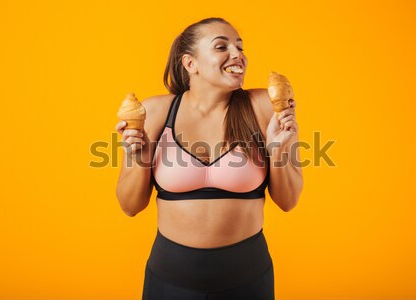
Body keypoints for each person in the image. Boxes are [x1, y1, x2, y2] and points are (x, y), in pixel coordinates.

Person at [115, 17, 303, 300]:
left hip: (248, 278)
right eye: (221, 46)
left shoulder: (264, 107)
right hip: (169, 278)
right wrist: (139, 157)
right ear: (191, 64)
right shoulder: (153, 113)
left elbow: (288, 202)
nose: (238, 55)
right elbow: (130, 206)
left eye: (240, 47)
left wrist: (278, 150)